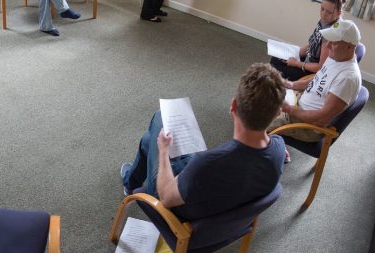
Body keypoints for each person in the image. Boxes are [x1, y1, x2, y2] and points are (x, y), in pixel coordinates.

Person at [120, 63, 286, 217]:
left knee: (158, 122)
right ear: (278, 113)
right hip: (224, 206)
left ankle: (130, 182)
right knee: (150, 141)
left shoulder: (208, 163)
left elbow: (166, 198)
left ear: (233, 106)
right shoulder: (278, 148)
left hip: (183, 214)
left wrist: (163, 151)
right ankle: (130, 180)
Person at [270, 19, 362, 144]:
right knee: (266, 92)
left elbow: (320, 119)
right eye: (329, 41)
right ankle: (276, 143)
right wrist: (292, 85)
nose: (328, 46)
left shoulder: (347, 79)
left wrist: (289, 110)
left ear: (350, 47)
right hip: (299, 103)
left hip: (307, 126)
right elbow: (319, 78)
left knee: (257, 120)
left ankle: (274, 149)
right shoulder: (336, 57)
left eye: (334, 43)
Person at [270, 0, 347, 80]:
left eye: (329, 12)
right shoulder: (326, 20)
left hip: (311, 73)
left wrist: (296, 64)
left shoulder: (331, 34)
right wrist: (295, 53)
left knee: (274, 68)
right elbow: (313, 43)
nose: (323, 14)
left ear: (338, 13)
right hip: (309, 59)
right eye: (322, 9)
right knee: (275, 58)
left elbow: (320, 68)